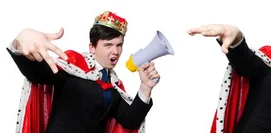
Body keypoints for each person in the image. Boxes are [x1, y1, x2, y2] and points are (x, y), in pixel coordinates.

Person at [7, 11, 159, 133]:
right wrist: (21, 41)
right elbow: (36, 72)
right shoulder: (72, 68)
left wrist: (145, 87)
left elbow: (129, 120)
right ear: (92, 47)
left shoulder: (113, 85)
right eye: (108, 45)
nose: (116, 51)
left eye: (119, 45)